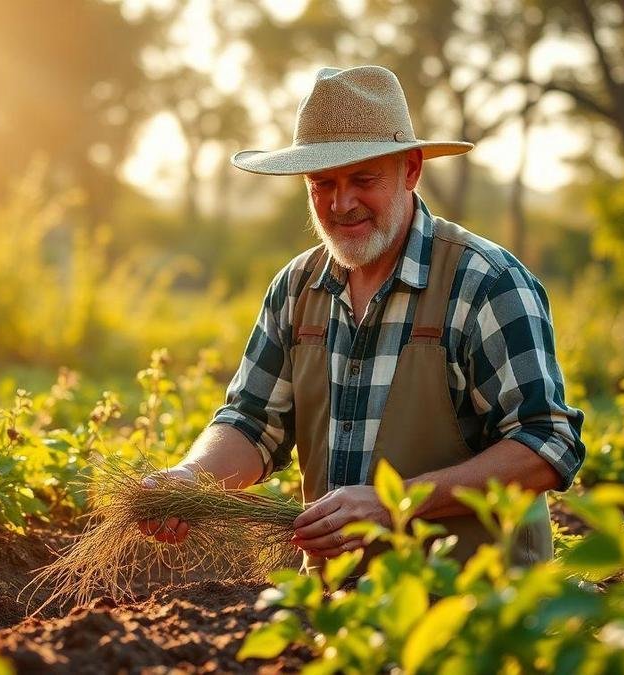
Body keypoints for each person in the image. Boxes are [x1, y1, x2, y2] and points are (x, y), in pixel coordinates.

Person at [138, 65, 585, 571]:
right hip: (336, 603)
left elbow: (546, 444)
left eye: (363, 179)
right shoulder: (297, 287)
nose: (341, 203)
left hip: (475, 601)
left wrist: (397, 503)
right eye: (322, 183)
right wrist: (191, 477)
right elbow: (252, 422)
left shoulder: (486, 283)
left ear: (410, 170)